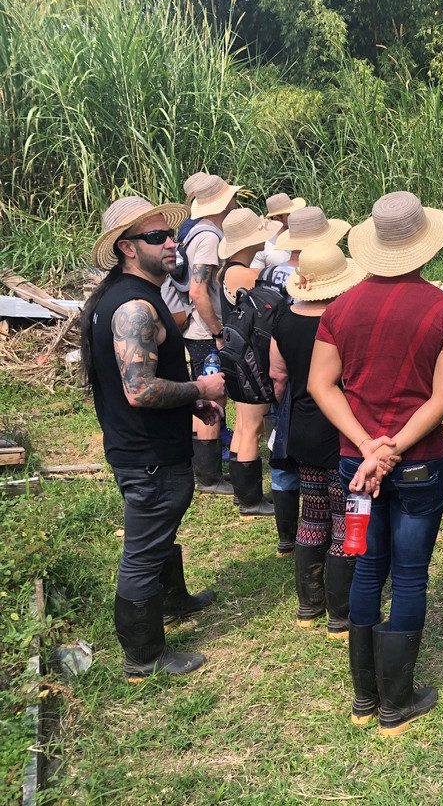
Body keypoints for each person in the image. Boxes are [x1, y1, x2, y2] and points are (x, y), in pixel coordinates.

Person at [308, 190, 443, 736]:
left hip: (355, 464)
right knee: (408, 575)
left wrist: (367, 446)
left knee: (367, 569)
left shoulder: (340, 307)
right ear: (425, 245)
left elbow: (320, 385)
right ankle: (396, 702)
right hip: (419, 462)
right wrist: (393, 447)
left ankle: (364, 699)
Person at [81, 196, 226, 681]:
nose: (171, 244)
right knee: (142, 552)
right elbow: (140, 389)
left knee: (159, 532)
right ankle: (143, 656)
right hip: (148, 456)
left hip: (141, 449)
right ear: (126, 247)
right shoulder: (134, 307)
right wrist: (201, 387)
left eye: (170, 235)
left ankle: (175, 601)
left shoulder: (119, 295)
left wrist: (187, 400)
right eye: (156, 237)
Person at [269, 243, 367, 637]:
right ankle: (340, 614)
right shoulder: (345, 319)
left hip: (303, 427)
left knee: (312, 514)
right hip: (341, 430)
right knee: (344, 518)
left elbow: (278, 375)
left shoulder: (282, 317)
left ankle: (308, 606)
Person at [217, 207, 283, 518]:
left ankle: (242, 492)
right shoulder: (243, 274)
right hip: (250, 356)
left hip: (236, 354)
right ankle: (251, 499)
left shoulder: (226, 271)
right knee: (251, 428)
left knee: (244, 424)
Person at [183, 173, 242, 495]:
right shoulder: (208, 236)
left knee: (210, 394)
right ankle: (208, 475)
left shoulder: (202, 232)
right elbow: (198, 290)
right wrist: (217, 332)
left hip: (201, 328)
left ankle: (207, 467)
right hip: (204, 330)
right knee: (210, 394)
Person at [250, 192, 304, 277]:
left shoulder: (304, 236)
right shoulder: (263, 246)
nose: (296, 217)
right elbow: (256, 278)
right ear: (277, 219)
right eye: (290, 214)